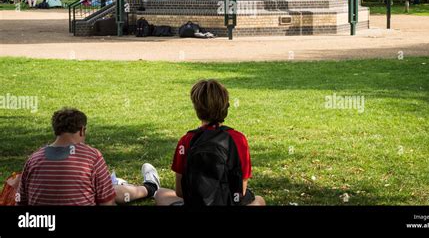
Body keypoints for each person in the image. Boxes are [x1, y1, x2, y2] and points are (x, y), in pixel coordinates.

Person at [17, 108, 160, 206]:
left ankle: (145, 187)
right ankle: (150, 187)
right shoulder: (91, 156)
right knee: (111, 191)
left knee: (109, 189)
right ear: (82, 130)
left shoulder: (33, 159)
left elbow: (21, 201)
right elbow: (107, 203)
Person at [155, 80, 265, 206]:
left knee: (160, 194)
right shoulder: (238, 139)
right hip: (228, 202)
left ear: (197, 108)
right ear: (225, 106)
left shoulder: (186, 140)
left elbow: (180, 192)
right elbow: (241, 190)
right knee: (259, 200)